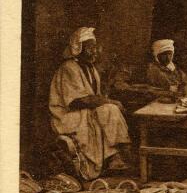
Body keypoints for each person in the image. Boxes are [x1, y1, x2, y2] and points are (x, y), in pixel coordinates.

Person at [49, 27, 131, 179]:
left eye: (95, 47)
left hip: (83, 110)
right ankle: (115, 154)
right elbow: (77, 101)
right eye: (90, 48)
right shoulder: (69, 68)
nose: (95, 51)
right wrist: (110, 101)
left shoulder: (90, 68)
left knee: (108, 110)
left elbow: (94, 97)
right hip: (67, 114)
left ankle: (115, 155)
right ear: (78, 49)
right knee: (109, 109)